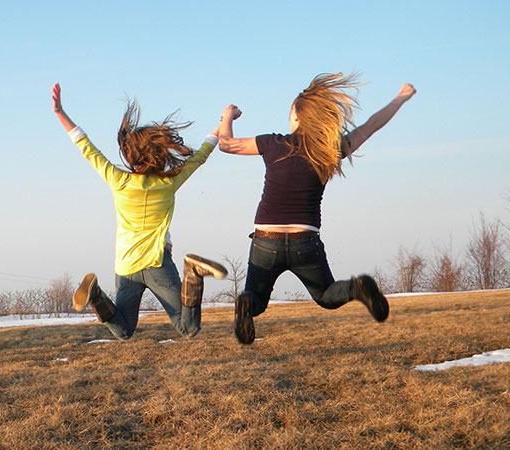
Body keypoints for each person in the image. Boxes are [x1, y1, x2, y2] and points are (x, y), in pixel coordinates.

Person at [218, 73, 416, 344]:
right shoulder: (328, 150)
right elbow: (371, 125)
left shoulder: (273, 143)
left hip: (266, 240)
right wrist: (400, 98)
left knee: (257, 299)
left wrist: (227, 116)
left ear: (297, 116)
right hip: (305, 242)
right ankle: (357, 288)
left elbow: (226, 145)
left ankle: (246, 304)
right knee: (325, 295)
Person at [52, 83, 230, 340]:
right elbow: (200, 155)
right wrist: (223, 121)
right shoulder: (169, 183)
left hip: (126, 266)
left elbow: (86, 146)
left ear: (130, 155)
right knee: (187, 327)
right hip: (158, 263)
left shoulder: (118, 180)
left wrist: (59, 111)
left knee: (123, 331)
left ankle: (96, 296)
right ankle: (193, 274)